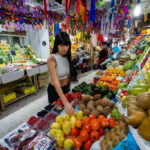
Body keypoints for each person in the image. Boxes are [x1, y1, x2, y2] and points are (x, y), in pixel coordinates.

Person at [47, 32, 74, 115]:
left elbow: (68, 75)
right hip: (55, 91)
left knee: (66, 114)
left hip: (65, 89)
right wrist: (65, 102)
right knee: (56, 115)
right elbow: (55, 82)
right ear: (57, 45)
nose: (64, 48)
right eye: (61, 45)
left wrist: (68, 88)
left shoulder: (67, 57)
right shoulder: (52, 59)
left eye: (66, 45)